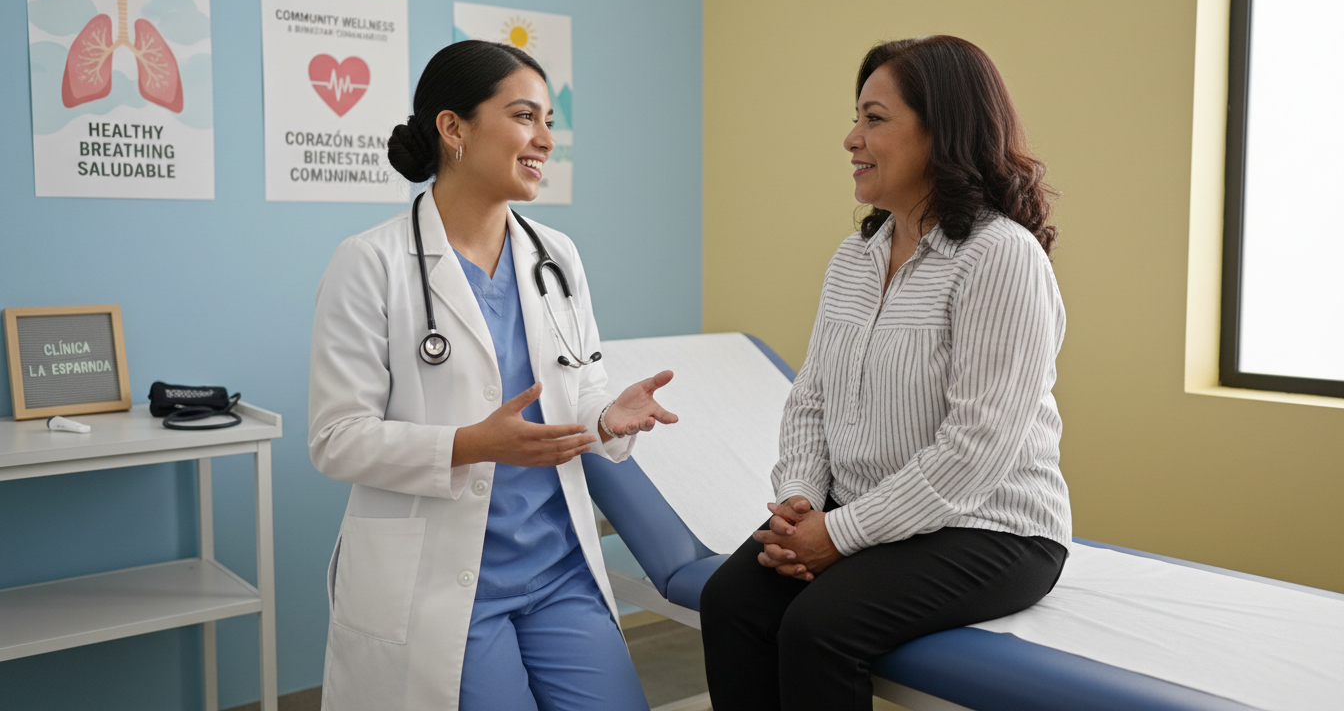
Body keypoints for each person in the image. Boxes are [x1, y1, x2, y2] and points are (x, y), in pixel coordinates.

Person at [699, 35, 1073, 709]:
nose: (851, 138)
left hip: (992, 528)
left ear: (943, 132)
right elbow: (810, 400)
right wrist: (801, 502)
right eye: (856, 117)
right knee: (729, 600)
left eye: (874, 118)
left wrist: (837, 536)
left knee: (820, 627)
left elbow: (976, 451)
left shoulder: (999, 257)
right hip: (863, 516)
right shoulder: (855, 256)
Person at [309, 40, 676, 711]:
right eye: (523, 116)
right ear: (453, 128)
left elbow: (578, 387)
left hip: (559, 565)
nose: (543, 139)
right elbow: (337, 438)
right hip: (443, 581)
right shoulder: (369, 262)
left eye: (549, 123)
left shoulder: (555, 255)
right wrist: (471, 444)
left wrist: (606, 416)